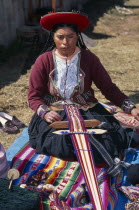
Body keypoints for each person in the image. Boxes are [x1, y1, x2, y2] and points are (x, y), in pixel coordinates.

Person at [28, 12, 139, 164]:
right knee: (61, 145)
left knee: (105, 142)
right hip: (55, 113)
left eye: (71, 36)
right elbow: (33, 96)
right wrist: (45, 113)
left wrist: (131, 108)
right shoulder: (44, 61)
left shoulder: (89, 58)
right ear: (53, 37)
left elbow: (109, 89)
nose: (65, 42)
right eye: (60, 37)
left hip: (87, 109)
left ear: (78, 36)